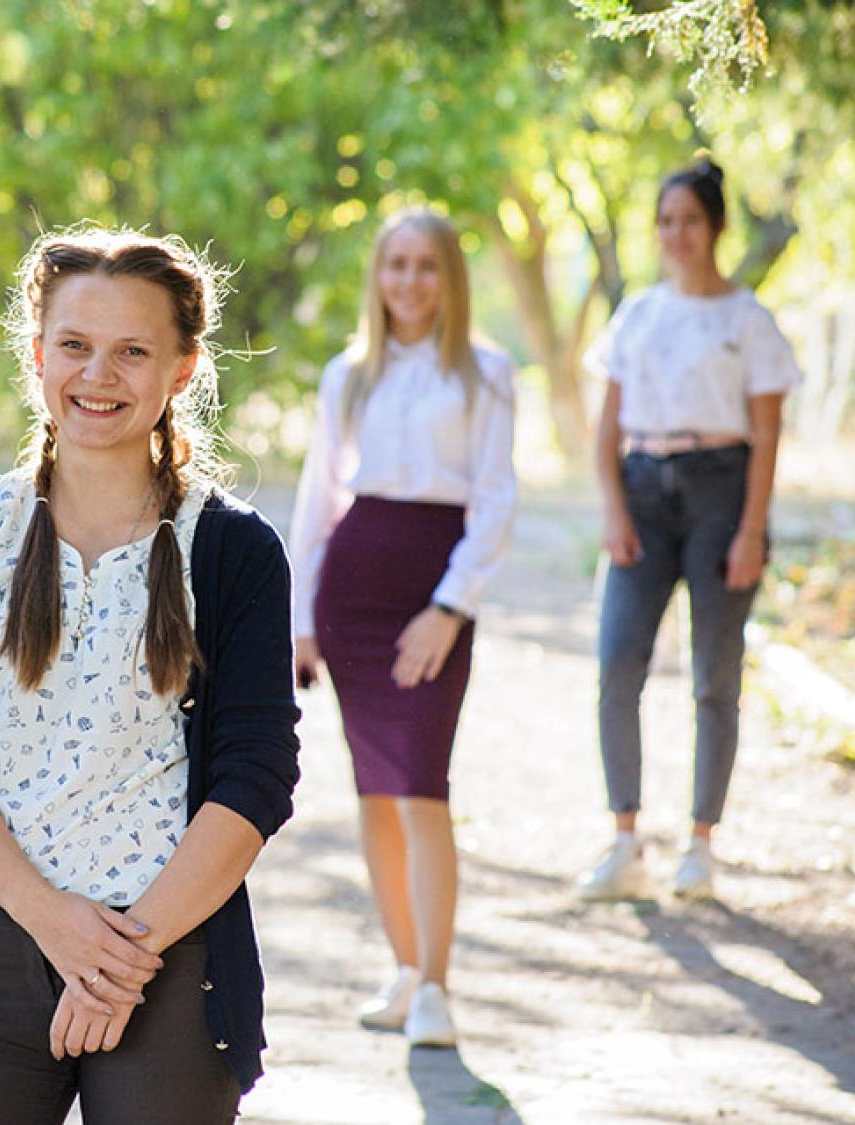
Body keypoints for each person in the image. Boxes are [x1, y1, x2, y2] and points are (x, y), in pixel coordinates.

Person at [0, 228, 301, 1123]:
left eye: (133, 351)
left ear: (184, 367)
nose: (98, 376)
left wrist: (121, 959)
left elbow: (255, 778)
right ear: (37, 354)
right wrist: (51, 919)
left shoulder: (235, 550)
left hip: (171, 947)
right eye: (74, 345)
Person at [288, 208, 517, 1048]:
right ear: (377, 277)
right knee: (376, 789)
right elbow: (320, 497)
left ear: (449, 277)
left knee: (423, 785)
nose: (410, 281)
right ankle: (403, 966)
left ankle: (438, 986)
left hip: (433, 585)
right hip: (354, 589)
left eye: (426, 266)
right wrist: (302, 616)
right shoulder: (348, 375)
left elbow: (495, 500)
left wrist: (450, 608)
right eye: (396, 265)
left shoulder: (486, 374)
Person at [574, 158, 801, 902]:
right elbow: (606, 428)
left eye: (691, 221)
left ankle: (701, 845)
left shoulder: (748, 322)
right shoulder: (637, 314)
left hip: (720, 494)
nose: (678, 235)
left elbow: (767, 439)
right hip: (643, 491)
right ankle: (625, 839)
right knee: (618, 666)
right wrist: (612, 508)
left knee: (714, 677)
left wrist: (751, 530)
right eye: (666, 221)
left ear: (717, 227)